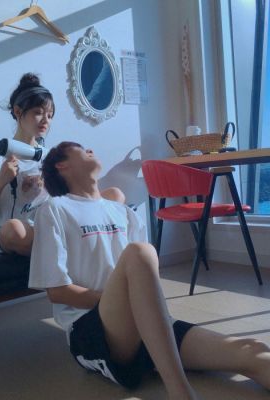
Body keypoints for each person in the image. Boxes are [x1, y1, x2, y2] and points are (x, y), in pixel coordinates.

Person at [28, 141, 270, 399]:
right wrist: (130, 304)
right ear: (61, 165)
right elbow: (58, 292)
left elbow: (144, 279)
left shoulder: (122, 211)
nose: (90, 150)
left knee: (254, 351)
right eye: (81, 149)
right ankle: (180, 393)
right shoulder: (55, 209)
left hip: (145, 324)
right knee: (140, 252)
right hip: (91, 328)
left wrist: (144, 310)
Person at [0, 74, 124, 256]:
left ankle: (73, 249)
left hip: (51, 226)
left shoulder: (50, 157)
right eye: (38, 112)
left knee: (115, 196)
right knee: (13, 229)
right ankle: (77, 250)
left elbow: (71, 199)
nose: (46, 120)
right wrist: (1, 181)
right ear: (18, 112)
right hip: (14, 232)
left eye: (50, 115)